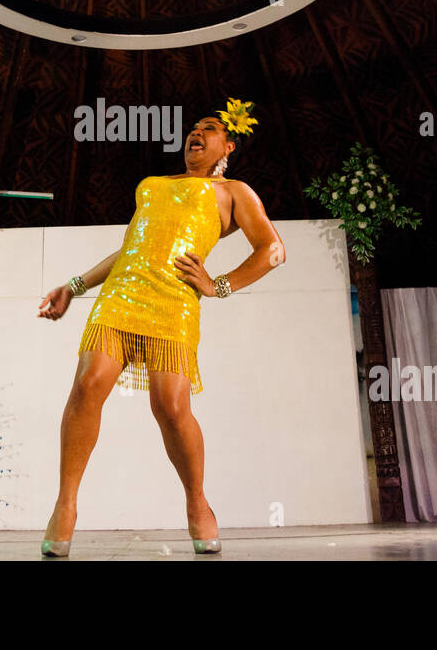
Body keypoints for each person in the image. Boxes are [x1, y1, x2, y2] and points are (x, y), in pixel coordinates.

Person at [36, 98, 286, 556]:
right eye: (193, 127)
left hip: (173, 303)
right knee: (88, 384)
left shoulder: (233, 192)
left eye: (208, 128)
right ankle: (65, 505)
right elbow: (129, 247)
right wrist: (73, 286)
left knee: (170, 408)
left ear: (227, 145)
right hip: (120, 298)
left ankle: (197, 503)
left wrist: (219, 285)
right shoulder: (152, 185)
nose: (196, 132)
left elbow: (273, 250)